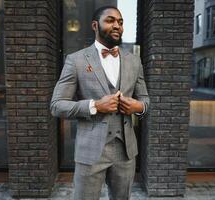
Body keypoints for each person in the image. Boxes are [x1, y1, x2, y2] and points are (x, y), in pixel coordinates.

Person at [50, 6, 149, 200]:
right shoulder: (76, 60)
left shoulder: (134, 61)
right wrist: (95, 106)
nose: (117, 26)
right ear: (95, 25)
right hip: (91, 150)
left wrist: (138, 107)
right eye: (110, 20)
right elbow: (57, 105)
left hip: (125, 152)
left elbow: (145, 100)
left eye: (120, 22)